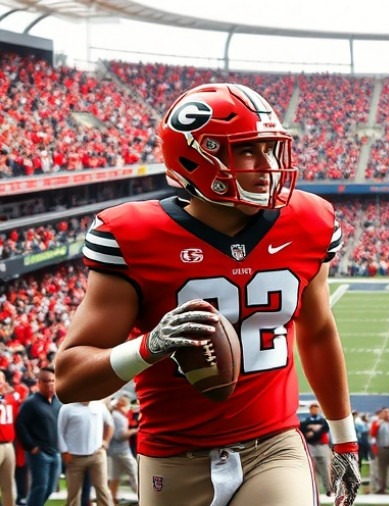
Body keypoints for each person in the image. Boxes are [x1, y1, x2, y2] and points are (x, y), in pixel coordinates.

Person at [52, 83, 360, 506]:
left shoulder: (309, 220)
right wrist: (149, 347)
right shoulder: (132, 235)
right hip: (175, 456)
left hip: (274, 445)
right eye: (248, 150)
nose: (267, 164)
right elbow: (69, 380)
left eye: (270, 149)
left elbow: (319, 331)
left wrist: (344, 438)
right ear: (195, 158)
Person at [15, 367, 62, 506]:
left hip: (55, 452)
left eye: (53, 381)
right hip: (39, 453)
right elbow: (20, 425)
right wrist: (31, 446)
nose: (50, 384)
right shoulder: (30, 403)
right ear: (39, 382)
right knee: (39, 487)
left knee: (50, 488)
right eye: (47, 381)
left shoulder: (58, 402)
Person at [58, 400, 114, 506]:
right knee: (73, 492)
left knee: (102, 488)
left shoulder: (99, 406)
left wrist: (106, 441)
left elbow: (110, 424)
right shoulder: (67, 408)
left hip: (97, 454)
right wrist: (64, 451)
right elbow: (60, 431)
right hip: (74, 456)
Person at [107, 396, 139, 505]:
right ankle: (142, 497)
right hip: (121, 451)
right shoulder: (118, 417)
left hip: (115, 451)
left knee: (114, 477)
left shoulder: (117, 415)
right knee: (134, 472)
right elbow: (120, 435)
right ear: (121, 404)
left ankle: (112, 499)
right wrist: (135, 431)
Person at [300, 402, 332, 497]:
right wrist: (315, 429)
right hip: (311, 445)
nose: (314, 410)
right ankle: (314, 489)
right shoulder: (306, 421)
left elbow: (324, 429)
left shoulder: (322, 421)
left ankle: (328, 488)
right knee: (311, 469)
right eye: (313, 408)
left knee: (325, 468)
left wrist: (313, 432)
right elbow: (303, 429)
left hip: (321, 445)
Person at [0, 371, 22, 506]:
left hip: (9, 444)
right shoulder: (7, 398)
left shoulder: (10, 398)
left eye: (1, 379)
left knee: (8, 484)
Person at [369, 407, 389, 495]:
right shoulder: (377, 423)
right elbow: (372, 434)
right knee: (382, 469)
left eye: (388, 412)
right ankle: (382, 487)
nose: (386, 414)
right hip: (382, 448)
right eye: (384, 413)